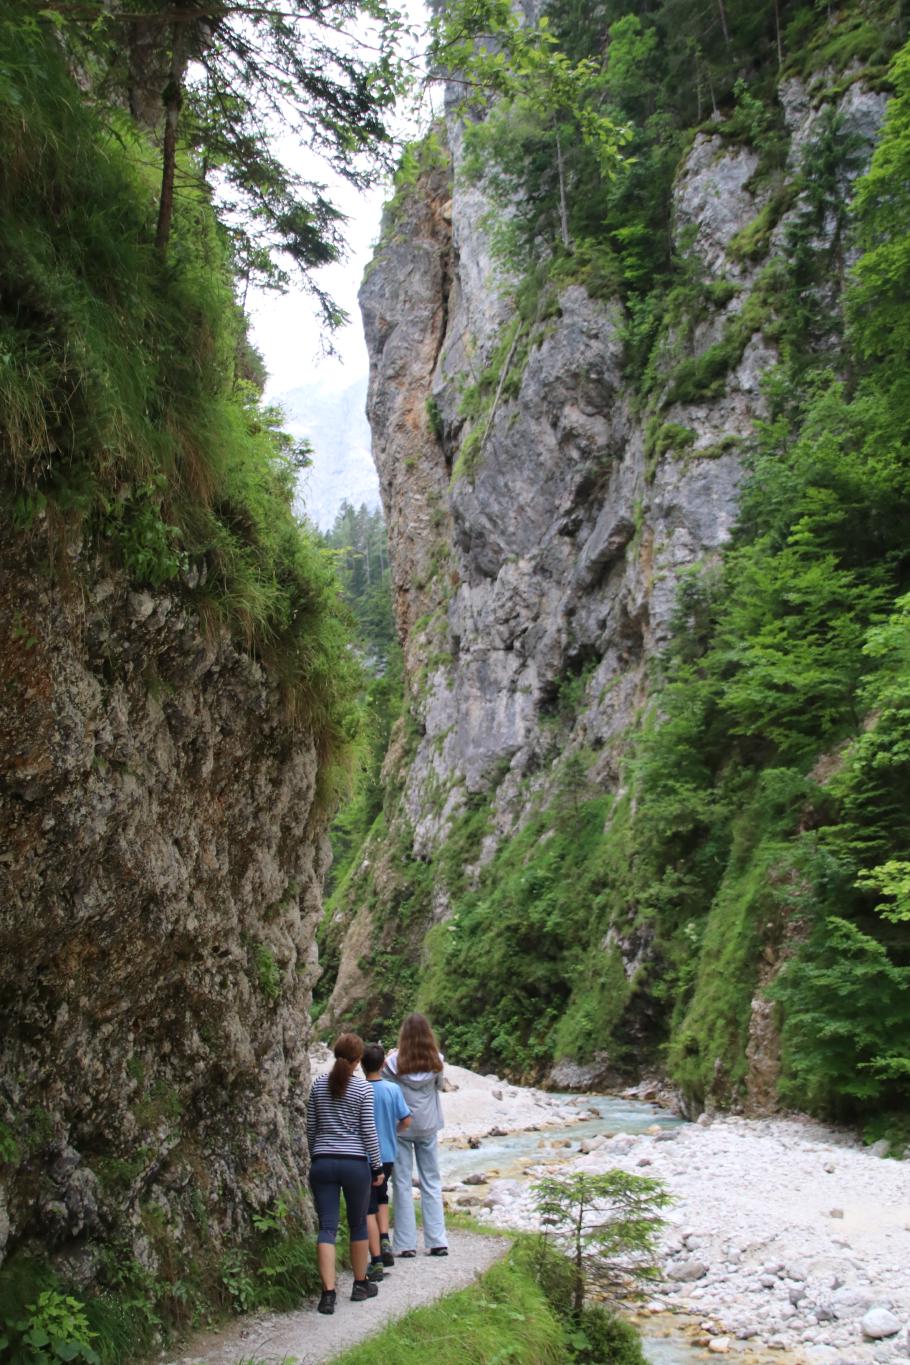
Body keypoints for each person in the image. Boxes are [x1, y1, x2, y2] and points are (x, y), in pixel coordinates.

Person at [306, 1033, 386, 1315]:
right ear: (358, 1061)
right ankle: (360, 1284)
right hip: (355, 1164)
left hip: (323, 1161)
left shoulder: (317, 1086)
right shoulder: (363, 1090)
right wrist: (377, 1167)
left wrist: (315, 1154)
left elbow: (311, 1128)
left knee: (326, 1227)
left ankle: (327, 1295)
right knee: (358, 1225)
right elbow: (368, 1132)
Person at [383, 1012, 448, 1257]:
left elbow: (389, 1092)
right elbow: (440, 1086)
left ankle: (406, 1244)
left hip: (402, 1127)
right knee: (431, 1181)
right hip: (429, 1126)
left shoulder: (392, 1063)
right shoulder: (437, 1061)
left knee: (401, 1183)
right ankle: (437, 1241)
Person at [361, 1042, 412, 1280]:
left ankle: (377, 1260)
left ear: (360, 1065)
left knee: (368, 1205)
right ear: (383, 1065)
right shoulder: (392, 1090)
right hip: (389, 1155)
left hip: (365, 1156)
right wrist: (394, 1132)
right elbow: (407, 1120)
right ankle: (384, 1239)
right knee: (382, 1195)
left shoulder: (359, 1089)